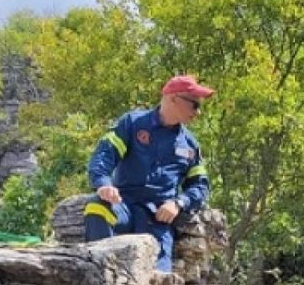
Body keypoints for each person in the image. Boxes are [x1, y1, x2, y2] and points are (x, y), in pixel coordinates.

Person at [84, 74, 214, 272]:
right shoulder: (132, 123)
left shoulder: (190, 145)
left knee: (159, 281)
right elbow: (105, 154)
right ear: (173, 98)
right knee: (97, 207)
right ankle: (100, 274)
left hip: (157, 219)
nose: (198, 112)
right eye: (194, 105)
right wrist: (103, 184)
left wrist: (179, 203)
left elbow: (200, 186)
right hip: (124, 206)